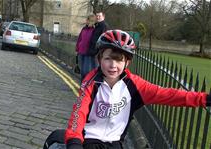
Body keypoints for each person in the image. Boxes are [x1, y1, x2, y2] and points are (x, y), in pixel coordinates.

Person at [64, 30, 211, 149]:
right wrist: (74, 141)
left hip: (115, 143)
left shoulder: (135, 85)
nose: (113, 65)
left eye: (119, 60)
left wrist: (203, 98)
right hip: (89, 140)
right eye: (108, 59)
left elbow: (166, 94)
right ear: (99, 58)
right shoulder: (90, 82)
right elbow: (79, 112)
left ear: (127, 62)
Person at [75, 14, 96, 81]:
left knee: (86, 71)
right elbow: (80, 38)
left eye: (87, 20)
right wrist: (77, 48)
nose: (86, 21)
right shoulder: (84, 29)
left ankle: (86, 84)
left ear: (91, 21)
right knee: (82, 71)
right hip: (81, 51)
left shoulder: (94, 30)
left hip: (88, 52)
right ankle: (82, 85)